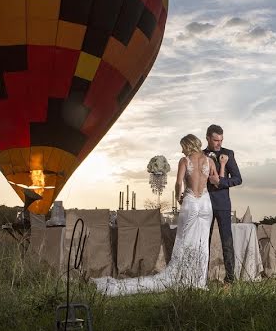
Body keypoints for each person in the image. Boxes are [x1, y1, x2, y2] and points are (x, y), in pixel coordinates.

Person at [93, 134, 217, 296]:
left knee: (185, 241)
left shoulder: (185, 161)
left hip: (191, 202)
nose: (181, 150)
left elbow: (179, 183)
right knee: (201, 242)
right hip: (206, 203)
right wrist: (220, 166)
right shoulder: (210, 161)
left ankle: (183, 277)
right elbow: (215, 180)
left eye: (183, 146)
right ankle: (198, 281)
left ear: (188, 145)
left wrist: (180, 197)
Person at [204, 124, 242, 284]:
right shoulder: (199, 154)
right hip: (204, 203)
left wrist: (220, 182)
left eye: (221, 140)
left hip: (223, 204)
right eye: (215, 140)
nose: (218, 143)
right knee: (204, 241)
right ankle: (202, 277)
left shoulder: (228, 154)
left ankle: (230, 278)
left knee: (227, 241)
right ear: (207, 138)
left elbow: (238, 179)